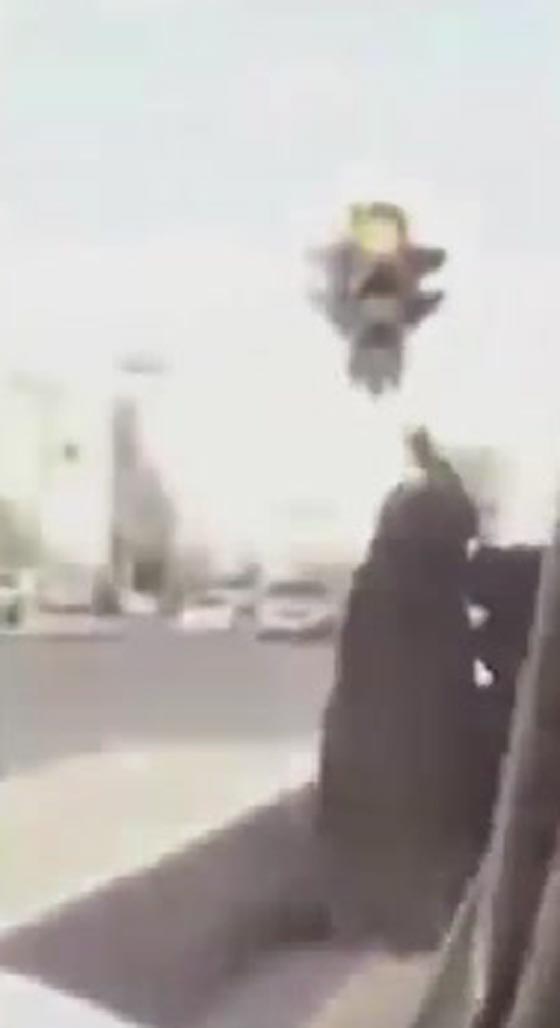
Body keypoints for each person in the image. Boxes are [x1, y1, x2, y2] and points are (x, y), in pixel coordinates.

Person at [316, 429, 485, 948]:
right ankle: (408, 922)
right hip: (407, 752)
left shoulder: (384, 582)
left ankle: (388, 920)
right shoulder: (427, 591)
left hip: (375, 748)